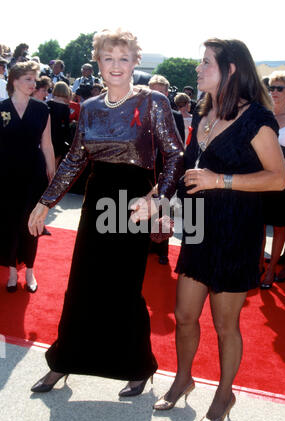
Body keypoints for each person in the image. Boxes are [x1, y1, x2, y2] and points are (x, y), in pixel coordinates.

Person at [28, 28, 184, 395]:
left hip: (133, 204)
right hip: (97, 198)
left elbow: (175, 154)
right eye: (108, 58)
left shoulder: (152, 102)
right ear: (97, 62)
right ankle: (62, 361)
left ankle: (138, 366)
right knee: (82, 283)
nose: (116, 65)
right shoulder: (92, 108)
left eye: (123, 58)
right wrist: (44, 201)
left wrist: (157, 198)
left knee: (124, 287)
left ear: (135, 62)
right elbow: (73, 160)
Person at [153, 39, 285, 421]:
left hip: (236, 232)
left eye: (205, 62)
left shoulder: (257, 118)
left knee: (226, 326)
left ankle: (224, 393)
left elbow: (277, 179)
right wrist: (172, 210)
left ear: (230, 69)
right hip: (198, 226)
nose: (197, 68)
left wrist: (220, 180)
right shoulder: (205, 111)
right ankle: (183, 379)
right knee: (184, 316)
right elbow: (193, 168)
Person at [0, 61, 55, 292]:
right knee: (9, 224)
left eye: (35, 80)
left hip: (34, 175)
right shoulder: (1, 108)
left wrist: (53, 174)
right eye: (28, 79)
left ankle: (30, 272)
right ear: (14, 81)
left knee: (32, 224)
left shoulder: (42, 110)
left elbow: (47, 144)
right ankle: (12, 271)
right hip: (6, 175)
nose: (34, 84)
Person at [260, 72, 285, 288]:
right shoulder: (263, 115)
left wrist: (276, 164)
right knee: (259, 224)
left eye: (280, 88)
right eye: (272, 88)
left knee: (279, 227)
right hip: (261, 177)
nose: (274, 92)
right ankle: (257, 265)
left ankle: (270, 272)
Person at [148, 74, 185, 264]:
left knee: (163, 208)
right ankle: (146, 245)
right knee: (144, 206)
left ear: (167, 93)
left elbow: (178, 148)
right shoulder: (140, 113)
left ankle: (162, 249)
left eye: (160, 91)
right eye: (153, 90)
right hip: (145, 169)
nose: (156, 94)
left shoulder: (176, 116)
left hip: (166, 169)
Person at [47, 81, 71, 168]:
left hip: (47, 135)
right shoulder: (66, 108)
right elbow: (66, 125)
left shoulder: (48, 103)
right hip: (59, 137)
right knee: (55, 162)